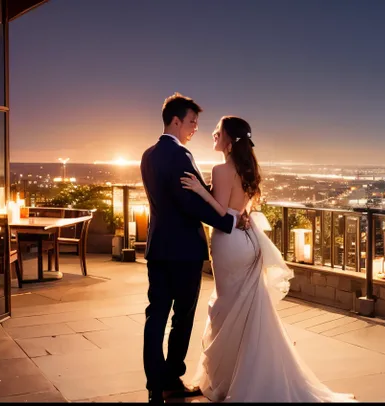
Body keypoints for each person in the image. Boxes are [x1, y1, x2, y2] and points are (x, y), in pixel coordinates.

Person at [180, 116, 356, 402]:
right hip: (249, 243)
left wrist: (201, 191)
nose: (213, 134)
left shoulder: (222, 170)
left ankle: (230, 378)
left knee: (228, 307)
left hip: (230, 244)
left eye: (217, 132)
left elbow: (222, 213)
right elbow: (240, 210)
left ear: (228, 139)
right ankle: (243, 373)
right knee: (247, 310)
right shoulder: (248, 170)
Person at [140, 93, 244, 403]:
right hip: (184, 252)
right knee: (181, 317)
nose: (196, 127)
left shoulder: (147, 155)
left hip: (157, 248)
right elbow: (191, 204)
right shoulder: (181, 157)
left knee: (155, 316)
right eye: (192, 121)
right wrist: (229, 222)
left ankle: (153, 386)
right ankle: (172, 378)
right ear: (175, 120)